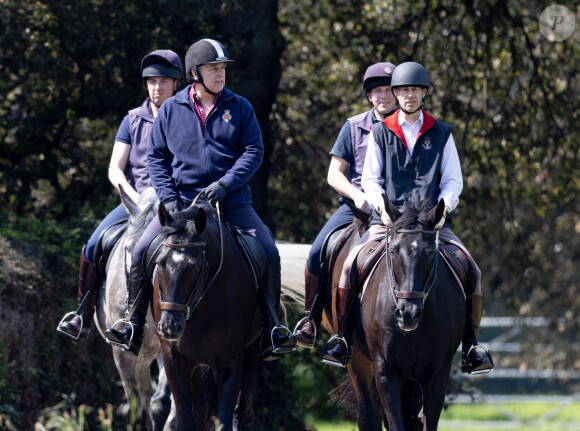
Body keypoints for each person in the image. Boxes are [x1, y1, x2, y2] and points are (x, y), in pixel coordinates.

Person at [104, 38, 297, 360]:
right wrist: (169, 200)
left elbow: (254, 151)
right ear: (195, 73)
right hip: (181, 206)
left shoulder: (240, 107)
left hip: (231, 204)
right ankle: (132, 323)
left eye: (222, 68)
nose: (220, 75)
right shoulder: (171, 110)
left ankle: (272, 327)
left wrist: (225, 185)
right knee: (139, 251)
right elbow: (156, 158)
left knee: (267, 250)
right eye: (213, 69)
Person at [321, 62, 493, 375]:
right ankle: (342, 339)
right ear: (396, 94)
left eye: (414, 89)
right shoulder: (380, 132)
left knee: (472, 269)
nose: (408, 95)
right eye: (402, 90)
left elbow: (453, 179)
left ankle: (471, 347)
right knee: (348, 267)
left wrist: (444, 207)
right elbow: (371, 179)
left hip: (431, 223)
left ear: (425, 93)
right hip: (389, 220)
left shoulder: (442, 132)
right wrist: (382, 208)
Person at [57, 50, 184, 340]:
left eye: (164, 81)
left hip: (173, 205)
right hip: (136, 202)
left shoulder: (186, 120)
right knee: (93, 244)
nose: (157, 87)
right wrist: (131, 197)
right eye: (152, 81)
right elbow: (115, 168)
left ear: (176, 84)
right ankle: (82, 315)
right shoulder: (131, 120)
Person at [293, 62, 397, 347]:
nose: (384, 96)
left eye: (389, 90)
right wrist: (356, 195)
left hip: (399, 210)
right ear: (369, 96)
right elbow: (333, 173)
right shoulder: (353, 127)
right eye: (377, 91)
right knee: (317, 251)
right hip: (357, 207)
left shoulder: (409, 127)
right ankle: (310, 320)